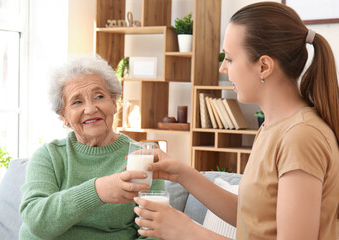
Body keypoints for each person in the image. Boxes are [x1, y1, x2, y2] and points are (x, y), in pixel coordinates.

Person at [133, 2, 339, 240]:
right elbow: (252, 216)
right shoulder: (274, 127)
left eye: (229, 59)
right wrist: (183, 174)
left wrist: (187, 231)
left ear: (264, 66)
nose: (222, 68)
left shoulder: (301, 136)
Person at [19, 54, 164, 240]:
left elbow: (154, 234)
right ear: (64, 116)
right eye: (77, 102)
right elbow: (37, 222)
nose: (90, 109)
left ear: (114, 104)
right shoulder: (49, 155)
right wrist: (99, 190)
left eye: (99, 96)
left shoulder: (142, 157)